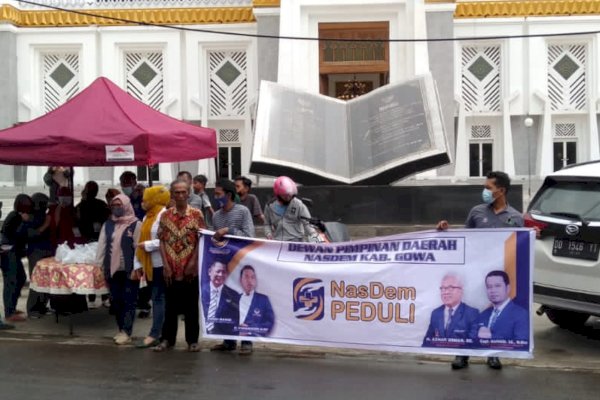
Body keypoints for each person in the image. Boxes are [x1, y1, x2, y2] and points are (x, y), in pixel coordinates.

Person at [437, 170, 524, 370]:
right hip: (475, 273)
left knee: (493, 314)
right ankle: (463, 353)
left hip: (498, 277)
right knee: (468, 313)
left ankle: (492, 353)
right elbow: (465, 238)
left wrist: (532, 234)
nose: (484, 191)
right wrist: (446, 230)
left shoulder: (515, 217)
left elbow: (520, 244)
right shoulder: (477, 212)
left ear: (501, 191)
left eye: (488, 188)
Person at [154, 180, 206, 353]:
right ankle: (168, 339)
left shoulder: (197, 214)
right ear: (172, 194)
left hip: (189, 269)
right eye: (177, 192)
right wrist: (166, 265)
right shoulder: (165, 215)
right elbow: (161, 241)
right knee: (170, 307)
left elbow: (201, 240)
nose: (181, 195)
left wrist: (193, 262)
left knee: (191, 306)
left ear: (189, 193)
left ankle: (192, 340)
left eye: (183, 192)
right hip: (171, 268)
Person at [211, 179, 255, 354]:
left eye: (218, 194)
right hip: (225, 266)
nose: (215, 197)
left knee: (244, 304)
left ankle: (246, 342)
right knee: (227, 305)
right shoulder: (216, 216)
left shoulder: (242, 211)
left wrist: (229, 231)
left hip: (243, 265)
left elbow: (249, 235)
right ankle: (228, 340)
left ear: (229, 195)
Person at [96, 194, 141, 345]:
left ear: (126, 205)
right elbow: (102, 246)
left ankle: (127, 331)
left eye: (119, 204)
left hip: (129, 269)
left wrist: (138, 268)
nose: (116, 208)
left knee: (129, 301)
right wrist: (99, 266)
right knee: (116, 301)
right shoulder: (108, 224)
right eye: (113, 205)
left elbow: (138, 248)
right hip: (112, 269)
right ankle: (121, 328)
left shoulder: (135, 224)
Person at [133, 185, 170, 349]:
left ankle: (155, 334)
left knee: (158, 299)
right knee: (157, 299)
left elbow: (167, 239)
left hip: (161, 264)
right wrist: (138, 264)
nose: (143, 201)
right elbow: (139, 240)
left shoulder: (164, 215)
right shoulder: (148, 216)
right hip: (149, 264)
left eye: (146, 198)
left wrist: (147, 245)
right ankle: (160, 333)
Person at [0, 194, 32, 323]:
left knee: (20, 278)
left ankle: (12, 308)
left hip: (13, 253)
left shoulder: (16, 216)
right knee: (11, 281)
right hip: (8, 254)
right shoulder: (14, 217)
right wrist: (24, 222)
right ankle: (9, 312)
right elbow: (16, 235)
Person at [422, 273, 478, 346]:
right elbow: (427, 342)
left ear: (461, 291)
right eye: (442, 288)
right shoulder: (436, 313)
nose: (446, 292)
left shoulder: (472, 313)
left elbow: (472, 344)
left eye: (450, 288)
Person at [476, 270, 528, 343]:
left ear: (508, 288)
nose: (493, 290)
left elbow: (522, 343)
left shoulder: (521, 314)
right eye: (489, 287)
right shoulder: (483, 314)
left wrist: (491, 337)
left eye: (497, 286)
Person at [263, 176, 317, 242]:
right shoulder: (269, 206)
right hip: (279, 242)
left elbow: (308, 224)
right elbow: (267, 224)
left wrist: (317, 240)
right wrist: (269, 234)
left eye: (290, 195)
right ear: (278, 194)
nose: (288, 197)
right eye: (285, 196)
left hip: (297, 241)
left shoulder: (298, 204)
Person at [25, 193, 53, 317]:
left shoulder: (44, 215)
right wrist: (45, 224)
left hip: (46, 250)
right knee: (36, 281)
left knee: (46, 281)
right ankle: (32, 309)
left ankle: (42, 306)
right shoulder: (30, 217)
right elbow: (31, 234)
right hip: (36, 252)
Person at [237, 265, 274, 340]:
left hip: (252, 340)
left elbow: (270, 323)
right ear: (241, 280)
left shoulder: (263, 300)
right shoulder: (234, 298)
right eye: (246, 277)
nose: (249, 280)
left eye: (252, 277)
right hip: (232, 338)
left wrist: (249, 329)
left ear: (255, 281)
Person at [203, 261, 239, 336]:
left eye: (223, 272)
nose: (220, 275)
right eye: (218, 271)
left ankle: (228, 343)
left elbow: (236, 318)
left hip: (225, 332)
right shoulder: (200, 291)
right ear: (210, 272)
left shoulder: (233, 295)